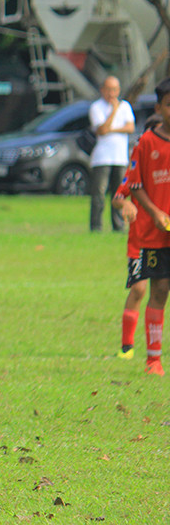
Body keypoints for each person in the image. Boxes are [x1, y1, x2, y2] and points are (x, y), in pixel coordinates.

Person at [123, 78, 170, 375]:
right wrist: (153, 212)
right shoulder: (147, 143)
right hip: (155, 232)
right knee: (160, 289)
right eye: (169, 104)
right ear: (159, 107)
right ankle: (153, 359)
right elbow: (134, 184)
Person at [112, 114, 164, 360]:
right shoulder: (135, 173)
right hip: (140, 241)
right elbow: (118, 196)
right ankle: (127, 346)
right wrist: (125, 207)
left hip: (162, 238)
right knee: (139, 290)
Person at [89, 76, 135, 232]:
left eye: (115, 90)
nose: (111, 93)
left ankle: (118, 226)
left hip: (120, 158)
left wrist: (112, 129)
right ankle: (96, 226)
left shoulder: (126, 106)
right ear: (102, 90)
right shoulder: (96, 107)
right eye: (108, 89)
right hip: (102, 158)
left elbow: (130, 128)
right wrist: (114, 110)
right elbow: (101, 130)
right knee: (99, 194)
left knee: (119, 195)